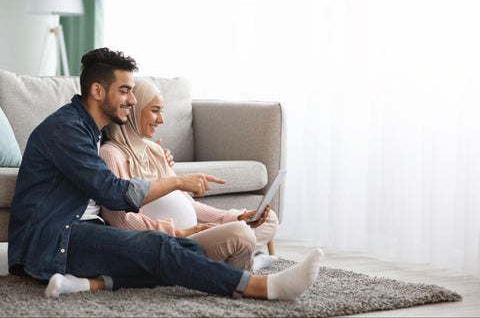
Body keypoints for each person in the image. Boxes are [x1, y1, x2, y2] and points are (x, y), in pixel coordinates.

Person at [8, 47, 323, 300]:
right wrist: (177, 181)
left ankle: (87, 284)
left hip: (79, 232)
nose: (132, 99)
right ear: (98, 91)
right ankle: (262, 287)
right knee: (158, 248)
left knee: (178, 250)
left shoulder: (90, 130)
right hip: (52, 241)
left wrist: (154, 153)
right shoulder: (67, 130)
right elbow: (114, 193)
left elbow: (125, 152)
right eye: (125, 90)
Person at [100, 78, 278, 271]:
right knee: (241, 235)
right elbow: (121, 220)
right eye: (154, 110)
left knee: (268, 220)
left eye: (162, 111)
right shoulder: (111, 154)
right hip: (171, 243)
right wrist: (178, 233)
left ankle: (233, 261)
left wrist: (235, 217)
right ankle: (245, 265)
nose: (161, 120)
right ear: (133, 110)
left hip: (194, 236)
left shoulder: (155, 151)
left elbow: (189, 205)